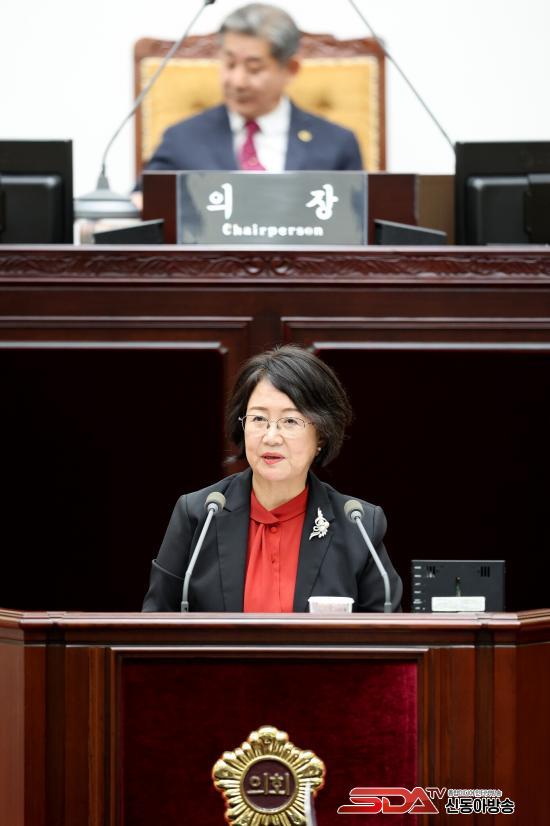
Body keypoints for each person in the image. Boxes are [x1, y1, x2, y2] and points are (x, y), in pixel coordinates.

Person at [142, 345, 402, 612]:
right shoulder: (199, 515)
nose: (271, 437)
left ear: (321, 436)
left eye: (290, 421)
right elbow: (155, 623)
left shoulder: (358, 526)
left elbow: (387, 632)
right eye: (258, 418)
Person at [144, 3, 363, 175]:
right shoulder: (181, 139)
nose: (238, 82)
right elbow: (145, 201)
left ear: (291, 69)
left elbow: (357, 214)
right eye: (229, 64)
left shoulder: (337, 144)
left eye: (254, 68)